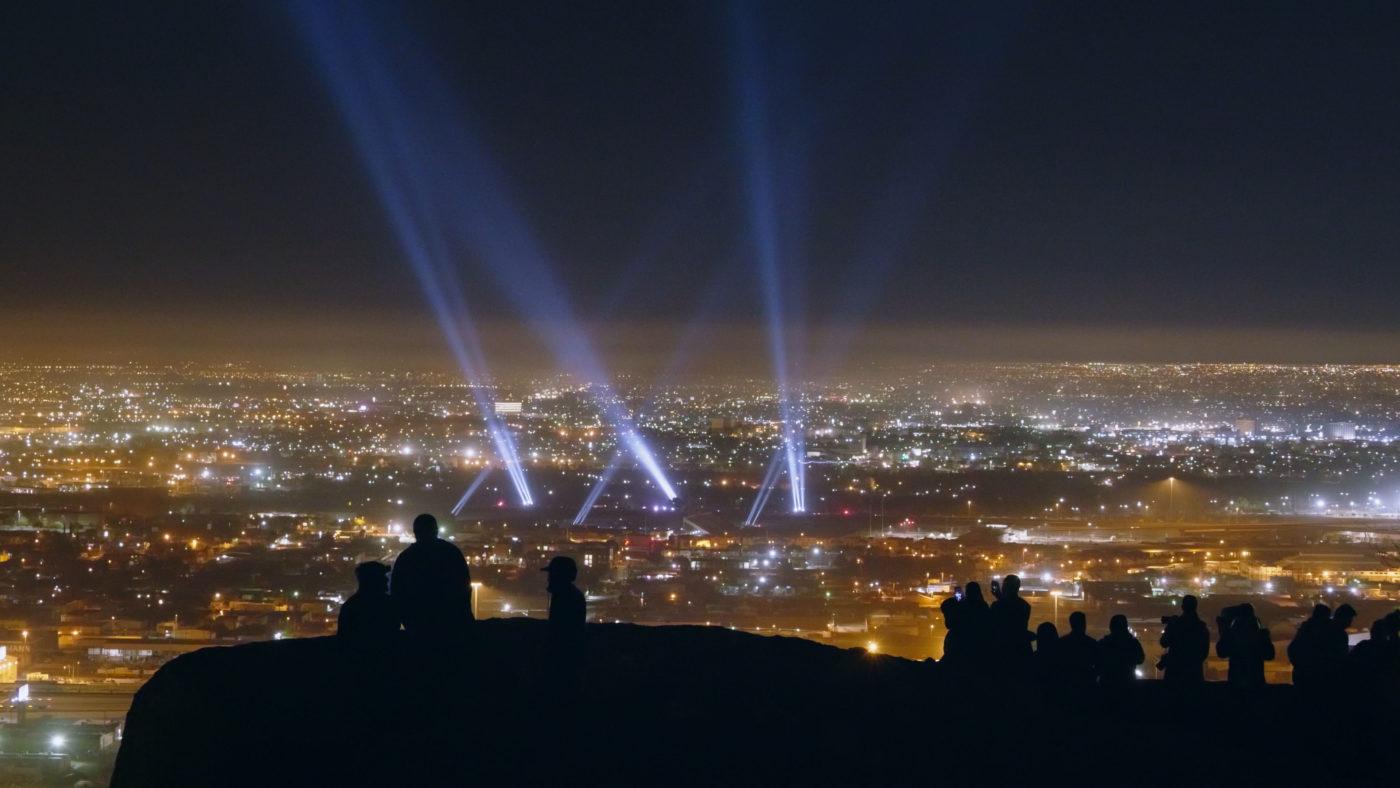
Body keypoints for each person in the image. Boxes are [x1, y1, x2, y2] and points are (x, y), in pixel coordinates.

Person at [390, 513, 472, 641]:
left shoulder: (406, 557)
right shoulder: (451, 553)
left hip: (418, 626)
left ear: (415, 533)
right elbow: (464, 587)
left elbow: (397, 592)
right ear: (436, 531)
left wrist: (407, 621)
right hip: (451, 624)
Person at [337, 561, 398, 647]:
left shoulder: (351, 606)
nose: (386, 580)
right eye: (382, 576)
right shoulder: (386, 604)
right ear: (374, 580)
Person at [1216, 603, 1274, 689]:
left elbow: (1221, 652)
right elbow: (1269, 655)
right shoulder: (1259, 635)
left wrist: (1224, 631)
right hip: (1256, 683)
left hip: (1236, 682)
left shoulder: (1233, 635)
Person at [1159, 595, 1210, 684]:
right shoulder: (1201, 627)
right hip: (1194, 675)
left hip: (1175, 673)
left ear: (1182, 607)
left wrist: (1170, 626)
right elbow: (1204, 653)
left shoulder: (1176, 625)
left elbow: (1164, 642)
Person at [989, 574, 1033, 669]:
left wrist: (999, 597)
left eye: (1004, 585)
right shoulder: (1025, 606)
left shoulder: (997, 606)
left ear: (1005, 588)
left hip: (1001, 652)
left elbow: (995, 624)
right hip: (1020, 652)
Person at [1287, 604, 1332, 689]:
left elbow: (1292, 649)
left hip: (1302, 674)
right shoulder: (1318, 632)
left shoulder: (1305, 629)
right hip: (1310, 675)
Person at [1097, 614, 1145, 689]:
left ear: (1111, 627)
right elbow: (1140, 659)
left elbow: (1096, 661)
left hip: (1108, 683)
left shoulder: (1104, 643)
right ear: (1125, 627)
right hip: (1128, 682)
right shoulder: (1133, 643)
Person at [1057, 611, 1099, 689]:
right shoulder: (1092, 643)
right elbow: (1098, 664)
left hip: (1068, 684)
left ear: (1071, 624)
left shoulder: (1062, 642)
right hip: (1087, 684)